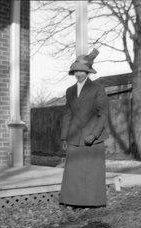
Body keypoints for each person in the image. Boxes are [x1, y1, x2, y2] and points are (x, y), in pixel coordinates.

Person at [59, 49, 109, 208]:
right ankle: (73, 201)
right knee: (74, 172)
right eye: (76, 70)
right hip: (74, 137)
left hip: (93, 138)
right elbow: (67, 114)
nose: (78, 73)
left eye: (82, 70)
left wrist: (94, 135)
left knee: (91, 172)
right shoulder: (70, 91)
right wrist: (64, 137)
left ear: (87, 72)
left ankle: (92, 202)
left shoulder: (97, 89)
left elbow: (103, 115)